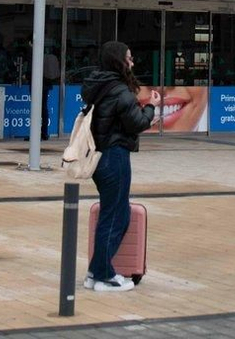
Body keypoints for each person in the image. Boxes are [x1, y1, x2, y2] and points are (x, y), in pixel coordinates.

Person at [82, 40, 159, 292]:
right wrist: (151, 108)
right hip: (115, 156)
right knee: (114, 216)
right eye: (129, 57)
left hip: (101, 156)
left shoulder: (99, 86)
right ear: (119, 61)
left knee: (116, 213)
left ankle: (96, 271)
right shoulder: (119, 91)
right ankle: (104, 275)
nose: (132, 61)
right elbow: (136, 123)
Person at [42, 47, 62, 140]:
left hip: (41, 84)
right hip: (47, 84)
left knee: (41, 108)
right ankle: (44, 132)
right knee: (43, 108)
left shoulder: (39, 56)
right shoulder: (50, 57)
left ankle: (43, 132)